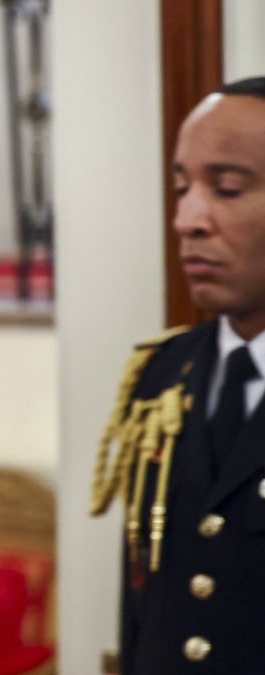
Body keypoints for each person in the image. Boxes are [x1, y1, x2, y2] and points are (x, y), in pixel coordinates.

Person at [92, 76, 265, 674]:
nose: (188, 219)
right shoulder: (162, 377)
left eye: (227, 189)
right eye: (181, 187)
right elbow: (145, 609)